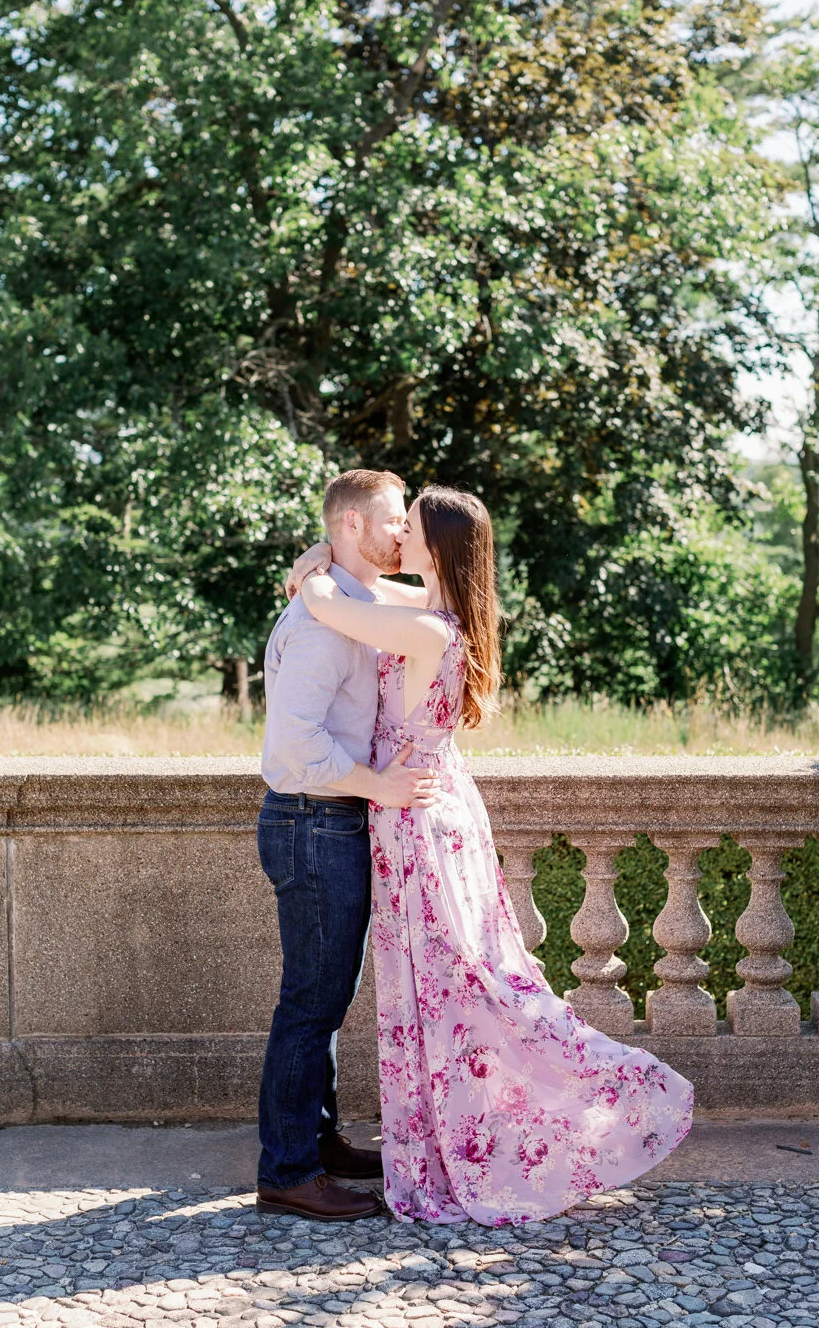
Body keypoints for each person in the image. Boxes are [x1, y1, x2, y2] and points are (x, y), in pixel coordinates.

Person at [287, 485, 693, 1225]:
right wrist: (324, 554)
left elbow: (334, 608)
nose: (398, 535)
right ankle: (450, 1140)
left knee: (459, 986)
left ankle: (616, 1086)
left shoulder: (431, 631)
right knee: (446, 986)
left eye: (408, 526)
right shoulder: (433, 616)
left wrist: (315, 570)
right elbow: (367, 593)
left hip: (416, 822)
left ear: (435, 546)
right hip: (428, 811)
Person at [256, 468, 441, 1222]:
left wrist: (316, 562)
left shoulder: (347, 601)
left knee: (324, 999)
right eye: (395, 520)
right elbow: (293, 746)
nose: (403, 531)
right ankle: (288, 1170)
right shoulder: (324, 622)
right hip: (312, 818)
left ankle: (320, 1143)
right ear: (356, 527)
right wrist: (380, 786)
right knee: (309, 1002)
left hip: (327, 820)